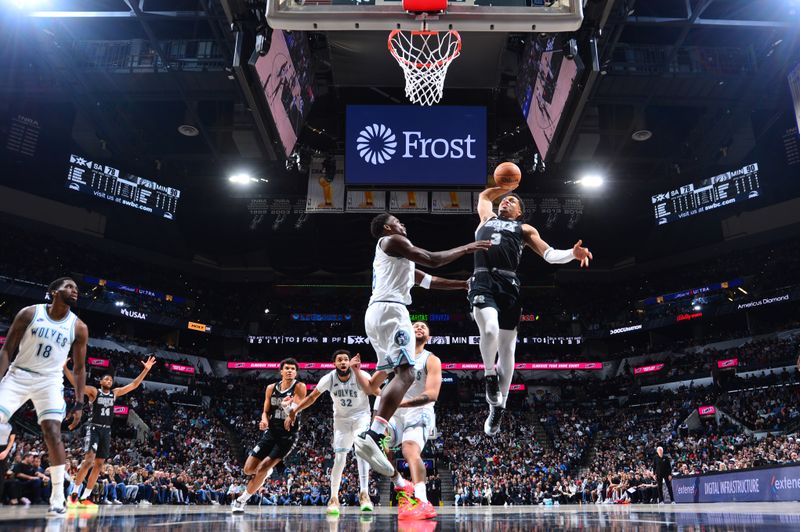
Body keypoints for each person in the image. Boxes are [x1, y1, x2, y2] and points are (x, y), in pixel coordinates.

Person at [355, 213, 490, 477]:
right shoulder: (391, 240)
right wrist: (467, 248)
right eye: (397, 221)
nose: (402, 225)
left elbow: (429, 280)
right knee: (407, 374)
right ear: (386, 227)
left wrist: (464, 285)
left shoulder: (398, 260)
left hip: (377, 315)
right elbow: (432, 258)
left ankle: (375, 434)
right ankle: (373, 433)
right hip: (392, 312)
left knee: (397, 374)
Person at [471, 186, 592, 435]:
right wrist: (502, 187)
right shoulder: (487, 218)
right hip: (483, 278)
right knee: (490, 330)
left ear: (519, 213)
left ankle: (499, 407)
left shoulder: (524, 229)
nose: (506, 201)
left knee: (507, 349)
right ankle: (488, 375)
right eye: (504, 200)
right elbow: (484, 197)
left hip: (509, 284)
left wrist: (572, 253)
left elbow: (548, 255)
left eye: (512, 200)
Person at [0, 277, 87, 516]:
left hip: (49, 381)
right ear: (53, 291)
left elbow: (79, 369)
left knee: (52, 430)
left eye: (77, 288)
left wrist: (79, 404)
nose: (75, 291)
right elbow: (7, 349)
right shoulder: (30, 313)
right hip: (18, 375)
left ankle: (58, 496)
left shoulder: (78, 327)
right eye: (69, 287)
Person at [353, 321, 442, 520]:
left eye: (424, 327)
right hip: (396, 412)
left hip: (419, 409)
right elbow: (371, 387)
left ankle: (422, 500)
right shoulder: (395, 355)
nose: (419, 328)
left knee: (409, 449)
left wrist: (400, 403)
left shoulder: (431, 359)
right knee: (378, 449)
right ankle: (401, 484)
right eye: (415, 325)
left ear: (428, 337)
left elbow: (432, 394)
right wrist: (357, 371)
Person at [285, 349, 373, 515]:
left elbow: (375, 391)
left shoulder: (361, 375)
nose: (343, 362)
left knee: (361, 451)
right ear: (334, 364)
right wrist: (295, 410)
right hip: (341, 420)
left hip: (361, 417)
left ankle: (364, 494)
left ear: (350, 362)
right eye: (339, 360)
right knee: (340, 458)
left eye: (346, 359)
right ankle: (333, 498)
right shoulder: (329, 378)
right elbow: (312, 397)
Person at [64, 355, 156, 506]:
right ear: (101, 382)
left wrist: (145, 370)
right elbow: (77, 384)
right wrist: (65, 368)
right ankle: (74, 493)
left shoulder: (114, 393)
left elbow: (133, 385)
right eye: (105, 379)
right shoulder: (94, 392)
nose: (108, 381)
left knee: (99, 465)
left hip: (106, 431)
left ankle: (84, 497)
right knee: (88, 462)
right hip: (94, 428)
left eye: (110, 380)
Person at [231, 358, 306, 513]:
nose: (290, 371)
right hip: (271, 432)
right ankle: (266, 473)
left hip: (287, 435)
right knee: (248, 470)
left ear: (296, 372)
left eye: (293, 368)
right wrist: (264, 420)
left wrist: (287, 408)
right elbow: (266, 411)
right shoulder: (271, 388)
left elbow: (295, 412)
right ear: (281, 371)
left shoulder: (300, 386)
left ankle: (241, 500)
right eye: (287, 368)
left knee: (263, 468)